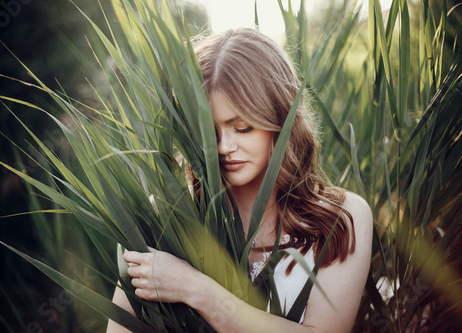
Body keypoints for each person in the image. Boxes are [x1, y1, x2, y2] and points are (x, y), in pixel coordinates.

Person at [107, 28, 373, 333]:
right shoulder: (165, 216)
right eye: (210, 130)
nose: (223, 146)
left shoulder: (342, 217)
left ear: (281, 118)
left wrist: (195, 290)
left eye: (242, 126)